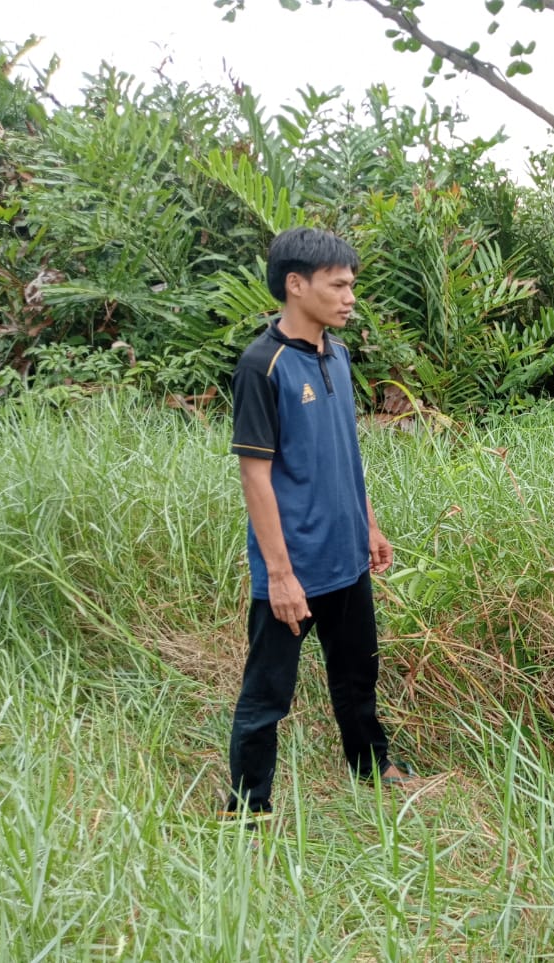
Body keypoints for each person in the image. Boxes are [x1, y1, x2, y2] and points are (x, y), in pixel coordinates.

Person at [224, 226, 410, 818]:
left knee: (358, 673)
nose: (350, 296)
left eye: (352, 284)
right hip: (293, 567)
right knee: (268, 693)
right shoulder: (263, 364)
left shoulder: (339, 353)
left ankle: (370, 765)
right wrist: (279, 574)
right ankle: (248, 807)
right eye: (339, 284)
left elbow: (346, 452)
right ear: (296, 285)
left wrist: (370, 527)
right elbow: (256, 478)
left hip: (346, 554)